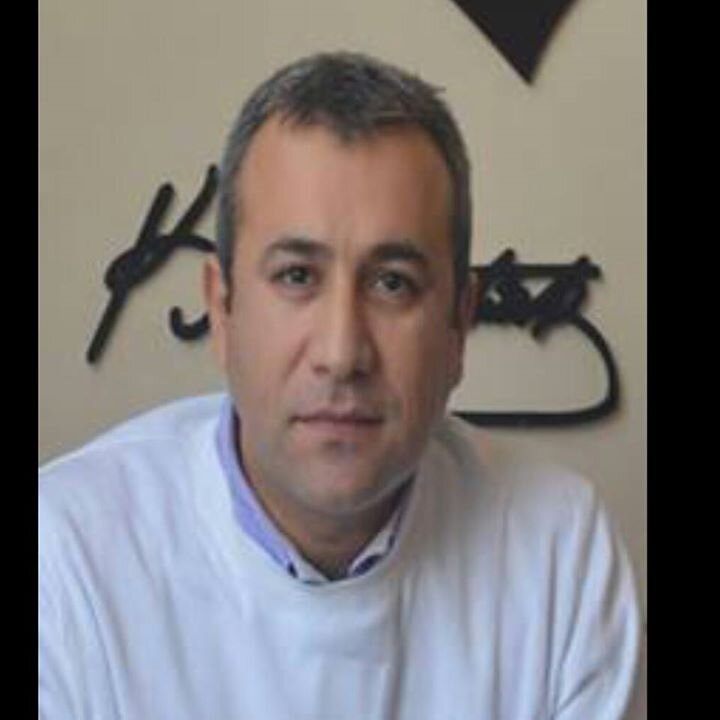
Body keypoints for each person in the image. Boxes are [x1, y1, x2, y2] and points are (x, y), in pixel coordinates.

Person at [39, 51, 641, 719]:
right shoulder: (66, 555)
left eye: (393, 283)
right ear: (222, 309)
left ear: (459, 325)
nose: (342, 352)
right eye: (297, 276)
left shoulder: (558, 549)